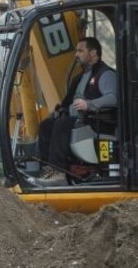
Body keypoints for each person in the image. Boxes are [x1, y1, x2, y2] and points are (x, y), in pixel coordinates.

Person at [36, 36, 117, 173]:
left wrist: (89, 104)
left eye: (80, 51)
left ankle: (58, 171)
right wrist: (60, 111)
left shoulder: (105, 74)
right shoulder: (80, 77)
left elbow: (114, 98)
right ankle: (46, 169)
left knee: (62, 125)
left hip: (96, 122)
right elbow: (69, 103)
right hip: (80, 121)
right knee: (47, 125)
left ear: (93, 53)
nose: (76, 55)